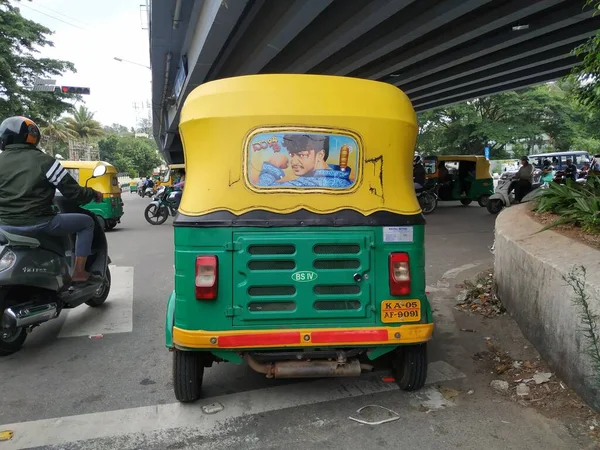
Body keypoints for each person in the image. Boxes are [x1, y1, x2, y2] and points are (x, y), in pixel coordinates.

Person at [0, 116, 103, 283]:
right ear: (32, 136)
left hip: (4, 226)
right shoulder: (45, 161)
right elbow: (74, 192)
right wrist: (94, 194)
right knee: (86, 223)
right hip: (39, 222)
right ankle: (78, 271)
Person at [257, 134, 353, 188]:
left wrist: (273, 163)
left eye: (301, 155)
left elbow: (264, 189)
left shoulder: (311, 183)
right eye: (291, 155)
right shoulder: (340, 178)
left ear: (320, 155)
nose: (293, 162)